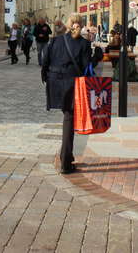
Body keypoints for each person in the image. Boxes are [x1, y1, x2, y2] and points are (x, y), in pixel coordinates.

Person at [42, 14, 100, 174]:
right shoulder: (84, 44)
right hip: (71, 83)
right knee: (69, 117)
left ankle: (66, 157)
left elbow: (45, 61)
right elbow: (86, 67)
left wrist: (45, 79)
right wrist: (98, 57)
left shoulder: (55, 40)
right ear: (81, 25)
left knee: (67, 115)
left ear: (68, 25)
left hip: (55, 82)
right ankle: (66, 161)